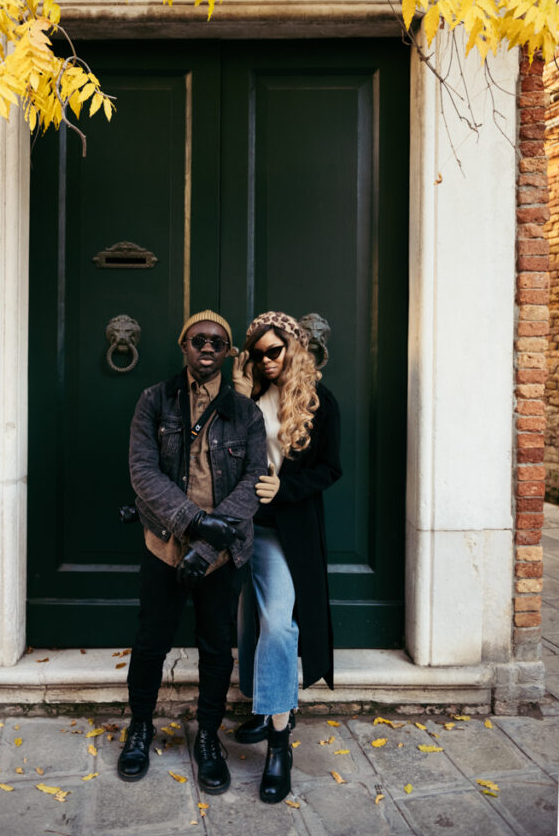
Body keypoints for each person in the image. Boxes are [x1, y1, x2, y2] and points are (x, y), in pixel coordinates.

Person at [118, 311, 267, 795]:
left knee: (214, 646)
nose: (207, 347)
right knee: (150, 642)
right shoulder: (154, 401)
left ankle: (208, 737)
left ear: (227, 353)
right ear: (183, 344)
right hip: (163, 544)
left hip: (221, 557)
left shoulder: (246, 413)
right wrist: (195, 523)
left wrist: (207, 545)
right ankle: (139, 727)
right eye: (198, 339)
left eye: (218, 342)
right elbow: (143, 472)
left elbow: (253, 483)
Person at [232, 310, 342, 804]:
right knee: (244, 624)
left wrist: (286, 487)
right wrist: (235, 397)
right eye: (257, 354)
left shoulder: (320, 402)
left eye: (274, 351)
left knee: (277, 624)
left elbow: (330, 469)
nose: (266, 361)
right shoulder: (245, 396)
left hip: (282, 530)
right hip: (235, 526)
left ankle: (279, 743)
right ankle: (264, 704)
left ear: (294, 347)